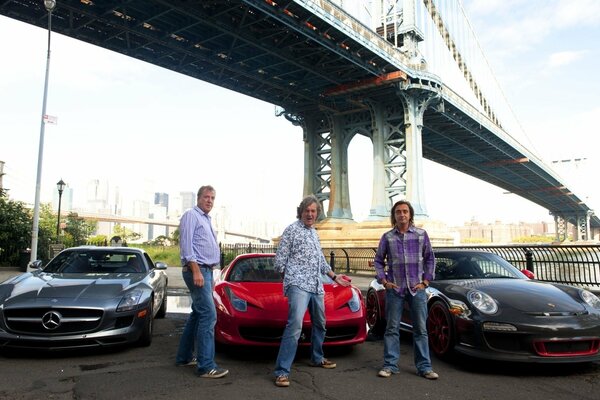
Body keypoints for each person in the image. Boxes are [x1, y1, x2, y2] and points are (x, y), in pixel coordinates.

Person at [273, 195, 351, 388]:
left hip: (316, 285)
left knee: (321, 324)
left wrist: (335, 277)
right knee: (294, 327)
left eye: (313, 211)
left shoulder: (314, 233)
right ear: (301, 211)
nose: (310, 214)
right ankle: (282, 372)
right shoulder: (291, 230)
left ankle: (317, 357)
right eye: (307, 210)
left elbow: (321, 261)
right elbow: (279, 261)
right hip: (298, 285)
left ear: (317, 213)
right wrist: (290, 280)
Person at [373, 199, 439, 380]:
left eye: (405, 211)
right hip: (395, 289)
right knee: (392, 328)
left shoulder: (420, 234)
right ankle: (390, 365)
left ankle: (424, 367)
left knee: (421, 329)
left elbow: (430, 259)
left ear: (410, 215)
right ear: (394, 216)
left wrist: (426, 281)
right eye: (398, 212)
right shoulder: (387, 237)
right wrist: (384, 281)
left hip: (417, 289)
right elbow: (379, 260)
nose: (402, 214)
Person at [175, 185, 228, 379]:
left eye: (212, 198)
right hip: (196, 270)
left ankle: (184, 357)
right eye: (206, 197)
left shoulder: (206, 219)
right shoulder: (191, 215)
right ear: (198, 198)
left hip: (206, 272)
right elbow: (187, 246)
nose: (210, 201)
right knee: (209, 314)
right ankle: (206, 366)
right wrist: (196, 270)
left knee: (197, 313)